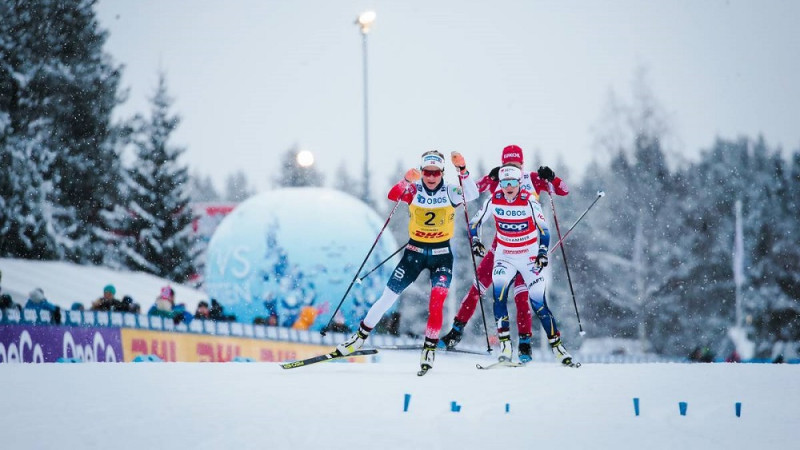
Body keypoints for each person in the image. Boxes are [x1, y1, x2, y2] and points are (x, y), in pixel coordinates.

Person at [334, 150, 479, 373]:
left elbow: (472, 195)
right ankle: (358, 338)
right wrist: (405, 180)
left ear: (442, 172)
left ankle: (429, 349)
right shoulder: (414, 189)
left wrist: (463, 170)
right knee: (387, 297)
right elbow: (393, 195)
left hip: (441, 255)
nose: (431, 177)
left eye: (436, 173)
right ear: (422, 172)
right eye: (427, 173)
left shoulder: (451, 191)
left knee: (437, 300)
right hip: (414, 253)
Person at [440, 144, 569, 363]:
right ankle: (456, 332)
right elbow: (471, 192)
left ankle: (525, 345)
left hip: (526, 248)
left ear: (521, 164)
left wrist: (553, 178)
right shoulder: (497, 177)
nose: (510, 168)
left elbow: (563, 190)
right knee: (477, 288)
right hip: (500, 248)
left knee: (521, 297)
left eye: (514, 164)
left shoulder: (534, 179)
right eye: (506, 164)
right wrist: (464, 172)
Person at [469, 164, 574, 366]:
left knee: (538, 303)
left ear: (519, 183)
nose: (508, 187)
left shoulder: (529, 201)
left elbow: (544, 230)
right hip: (505, 257)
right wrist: (476, 241)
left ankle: (558, 347)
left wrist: (542, 252)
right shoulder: (494, 199)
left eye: (512, 183)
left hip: (528, 257)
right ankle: (506, 346)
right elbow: (475, 223)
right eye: (504, 182)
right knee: (498, 297)